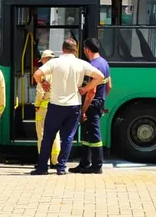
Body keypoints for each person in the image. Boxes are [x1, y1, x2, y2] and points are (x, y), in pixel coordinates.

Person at [30, 38, 105, 176]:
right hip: (74, 107)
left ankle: (42, 168)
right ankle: (61, 167)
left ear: (62, 49)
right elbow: (99, 76)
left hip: (55, 106)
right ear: (75, 50)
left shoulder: (54, 62)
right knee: (68, 138)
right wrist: (85, 88)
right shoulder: (82, 64)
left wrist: (43, 82)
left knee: (48, 137)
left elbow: (36, 74)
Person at [71, 38, 112, 174]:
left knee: (94, 135)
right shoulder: (104, 63)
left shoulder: (92, 66)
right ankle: (84, 163)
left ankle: (97, 166)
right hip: (99, 103)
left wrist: (83, 110)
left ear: (87, 49)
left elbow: (91, 92)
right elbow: (109, 86)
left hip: (91, 105)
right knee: (87, 136)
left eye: (84, 49)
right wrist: (102, 99)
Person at [33, 49, 61, 167]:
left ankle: (44, 161)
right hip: (57, 106)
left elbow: (40, 92)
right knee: (56, 134)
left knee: (42, 134)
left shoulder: (43, 73)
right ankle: (55, 160)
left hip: (44, 108)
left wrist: (36, 105)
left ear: (44, 60)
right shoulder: (59, 73)